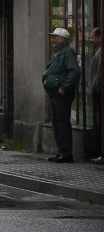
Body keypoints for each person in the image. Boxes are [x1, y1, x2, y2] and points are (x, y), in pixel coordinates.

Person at [42, 27, 80, 163]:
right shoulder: (58, 52)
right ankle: (61, 151)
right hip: (55, 95)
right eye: (53, 37)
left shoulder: (68, 52)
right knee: (56, 123)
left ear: (62, 39)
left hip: (62, 95)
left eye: (55, 37)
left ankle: (66, 153)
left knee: (62, 123)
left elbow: (75, 72)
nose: (52, 39)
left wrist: (64, 88)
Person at [91, 28, 103, 164]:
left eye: (93, 37)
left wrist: (95, 89)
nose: (91, 40)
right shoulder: (98, 51)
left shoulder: (100, 52)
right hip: (98, 91)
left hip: (99, 92)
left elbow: (99, 73)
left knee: (100, 123)